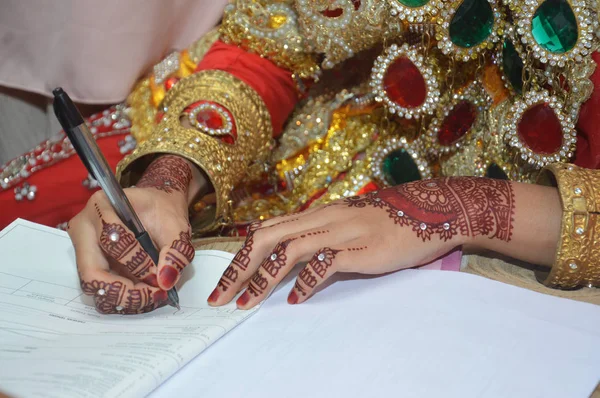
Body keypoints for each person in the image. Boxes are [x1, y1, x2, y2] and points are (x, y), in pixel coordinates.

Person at [3, 0, 600, 313]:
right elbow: (274, 41)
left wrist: (461, 207)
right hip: (285, 140)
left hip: (535, 233)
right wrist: (172, 174)